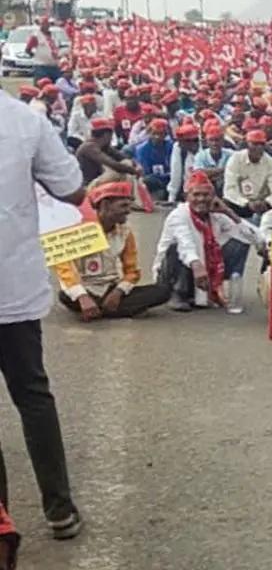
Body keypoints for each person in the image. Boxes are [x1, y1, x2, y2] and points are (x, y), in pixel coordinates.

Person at [0, 88, 84, 538]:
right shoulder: (25, 120)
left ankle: (2, 522)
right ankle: (59, 509)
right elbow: (71, 186)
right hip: (10, 285)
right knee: (32, 395)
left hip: (12, 285)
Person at [54, 182, 170, 321]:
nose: (129, 210)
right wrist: (82, 296)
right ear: (105, 205)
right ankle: (117, 309)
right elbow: (64, 270)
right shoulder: (76, 229)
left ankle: (100, 310)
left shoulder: (125, 233)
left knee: (162, 291)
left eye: (129, 205)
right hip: (85, 289)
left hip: (111, 287)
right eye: (123, 206)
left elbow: (132, 272)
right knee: (65, 296)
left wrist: (118, 292)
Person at [154, 171, 261, 313]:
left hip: (201, 271)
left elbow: (254, 237)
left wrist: (229, 212)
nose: (201, 199)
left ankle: (215, 288)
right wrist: (197, 265)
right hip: (174, 274)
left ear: (213, 197)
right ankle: (178, 294)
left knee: (240, 241)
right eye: (196, 195)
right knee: (176, 248)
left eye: (206, 195)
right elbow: (186, 244)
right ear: (187, 197)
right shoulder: (178, 216)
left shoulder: (216, 215)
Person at [223, 130, 272, 220]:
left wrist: (267, 202)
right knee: (226, 202)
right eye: (254, 144)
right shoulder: (236, 159)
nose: (258, 148)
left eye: (261, 144)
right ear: (247, 145)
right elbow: (229, 189)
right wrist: (246, 203)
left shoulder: (270, 162)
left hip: (262, 204)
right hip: (240, 203)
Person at [24, 16, 63, 84]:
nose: (46, 25)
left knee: (55, 87)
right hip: (41, 66)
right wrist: (36, 56)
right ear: (40, 25)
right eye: (44, 23)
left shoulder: (53, 35)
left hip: (54, 65)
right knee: (42, 85)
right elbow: (28, 49)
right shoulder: (36, 36)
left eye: (47, 23)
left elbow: (57, 48)